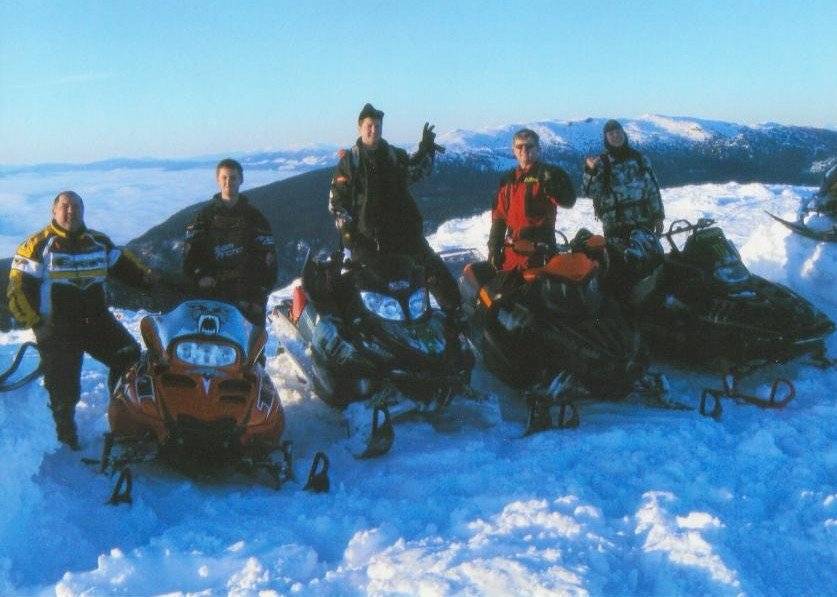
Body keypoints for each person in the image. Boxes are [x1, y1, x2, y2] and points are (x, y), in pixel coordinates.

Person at [6, 191, 158, 449]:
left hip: (97, 321)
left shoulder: (99, 242)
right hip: (57, 327)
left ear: (83, 210)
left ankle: (122, 417)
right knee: (64, 383)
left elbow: (128, 269)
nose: (70, 211)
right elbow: (17, 290)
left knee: (129, 356)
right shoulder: (36, 245)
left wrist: (151, 281)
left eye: (76, 206)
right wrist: (36, 323)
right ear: (53, 211)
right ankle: (64, 435)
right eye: (64, 206)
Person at [328, 103, 462, 322]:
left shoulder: (393, 156)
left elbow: (416, 172)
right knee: (369, 291)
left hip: (404, 234)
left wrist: (425, 149)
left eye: (378, 126)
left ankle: (457, 318)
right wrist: (349, 235)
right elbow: (337, 204)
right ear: (360, 128)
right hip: (368, 241)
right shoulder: (350, 162)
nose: (374, 130)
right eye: (370, 125)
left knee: (435, 276)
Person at [183, 158, 277, 326]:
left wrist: (260, 292)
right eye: (224, 177)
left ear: (241, 180)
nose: (229, 182)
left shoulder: (255, 218)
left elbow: (268, 258)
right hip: (212, 290)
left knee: (251, 346)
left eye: (233, 177)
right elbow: (191, 255)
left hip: (247, 290)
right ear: (217, 180)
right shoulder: (204, 217)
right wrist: (200, 277)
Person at [582, 119, 665, 281]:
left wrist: (658, 215)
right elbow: (588, 192)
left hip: (643, 222)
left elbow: (652, 189)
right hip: (615, 226)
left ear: (624, 134)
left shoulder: (640, 159)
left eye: (618, 132)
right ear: (606, 138)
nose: (615, 136)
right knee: (621, 268)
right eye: (611, 134)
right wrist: (589, 171)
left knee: (650, 264)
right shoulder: (601, 163)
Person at [487, 128, 576, 272]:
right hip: (512, 255)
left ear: (538, 149)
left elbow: (568, 201)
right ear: (513, 150)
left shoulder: (549, 174)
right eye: (519, 146)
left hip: (541, 254)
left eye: (529, 146)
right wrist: (494, 248)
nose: (524, 150)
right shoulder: (508, 179)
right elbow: (499, 218)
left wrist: (553, 184)